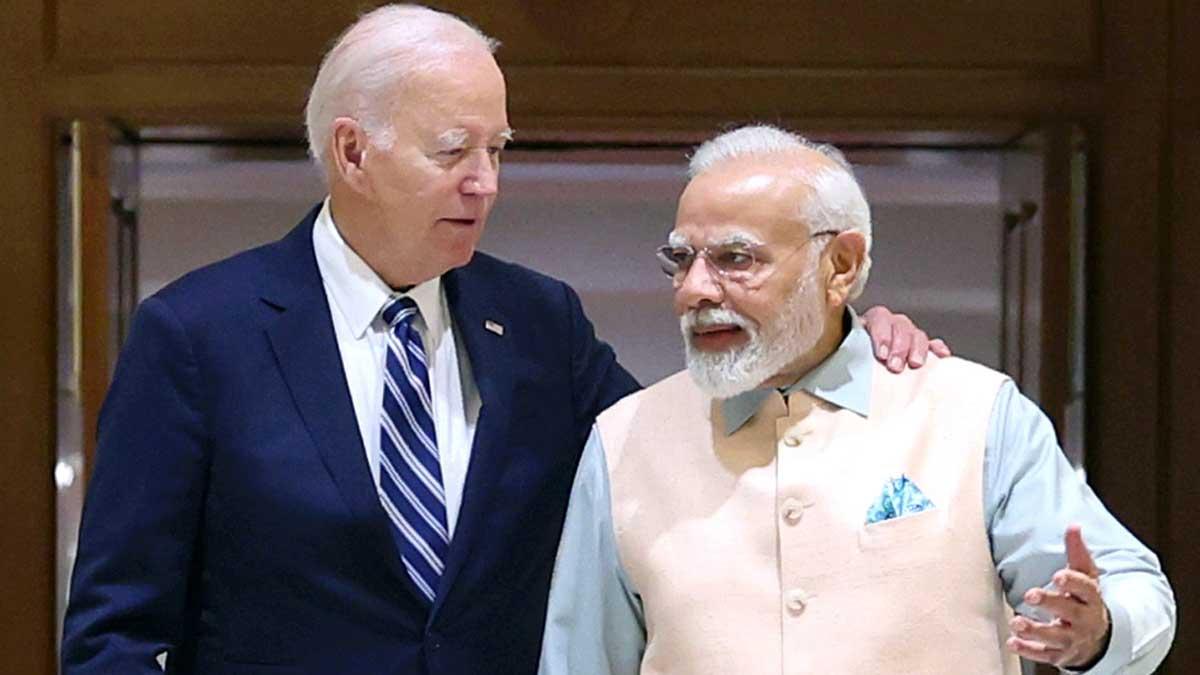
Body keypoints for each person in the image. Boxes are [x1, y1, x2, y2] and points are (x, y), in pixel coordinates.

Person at [59, 8, 940, 675]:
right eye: (454, 152)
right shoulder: (197, 335)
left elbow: (693, 450)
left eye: (498, 149)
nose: (486, 183)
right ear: (353, 153)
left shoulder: (538, 323)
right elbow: (114, 635)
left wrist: (835, 339)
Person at [538, 125, 1176, 675]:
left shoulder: (973, 412)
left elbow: (1135, 589)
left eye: (735, 258)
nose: (695, 289)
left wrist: (1098, 633)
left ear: (841, 265)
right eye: (681, 260)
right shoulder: (624, 440)